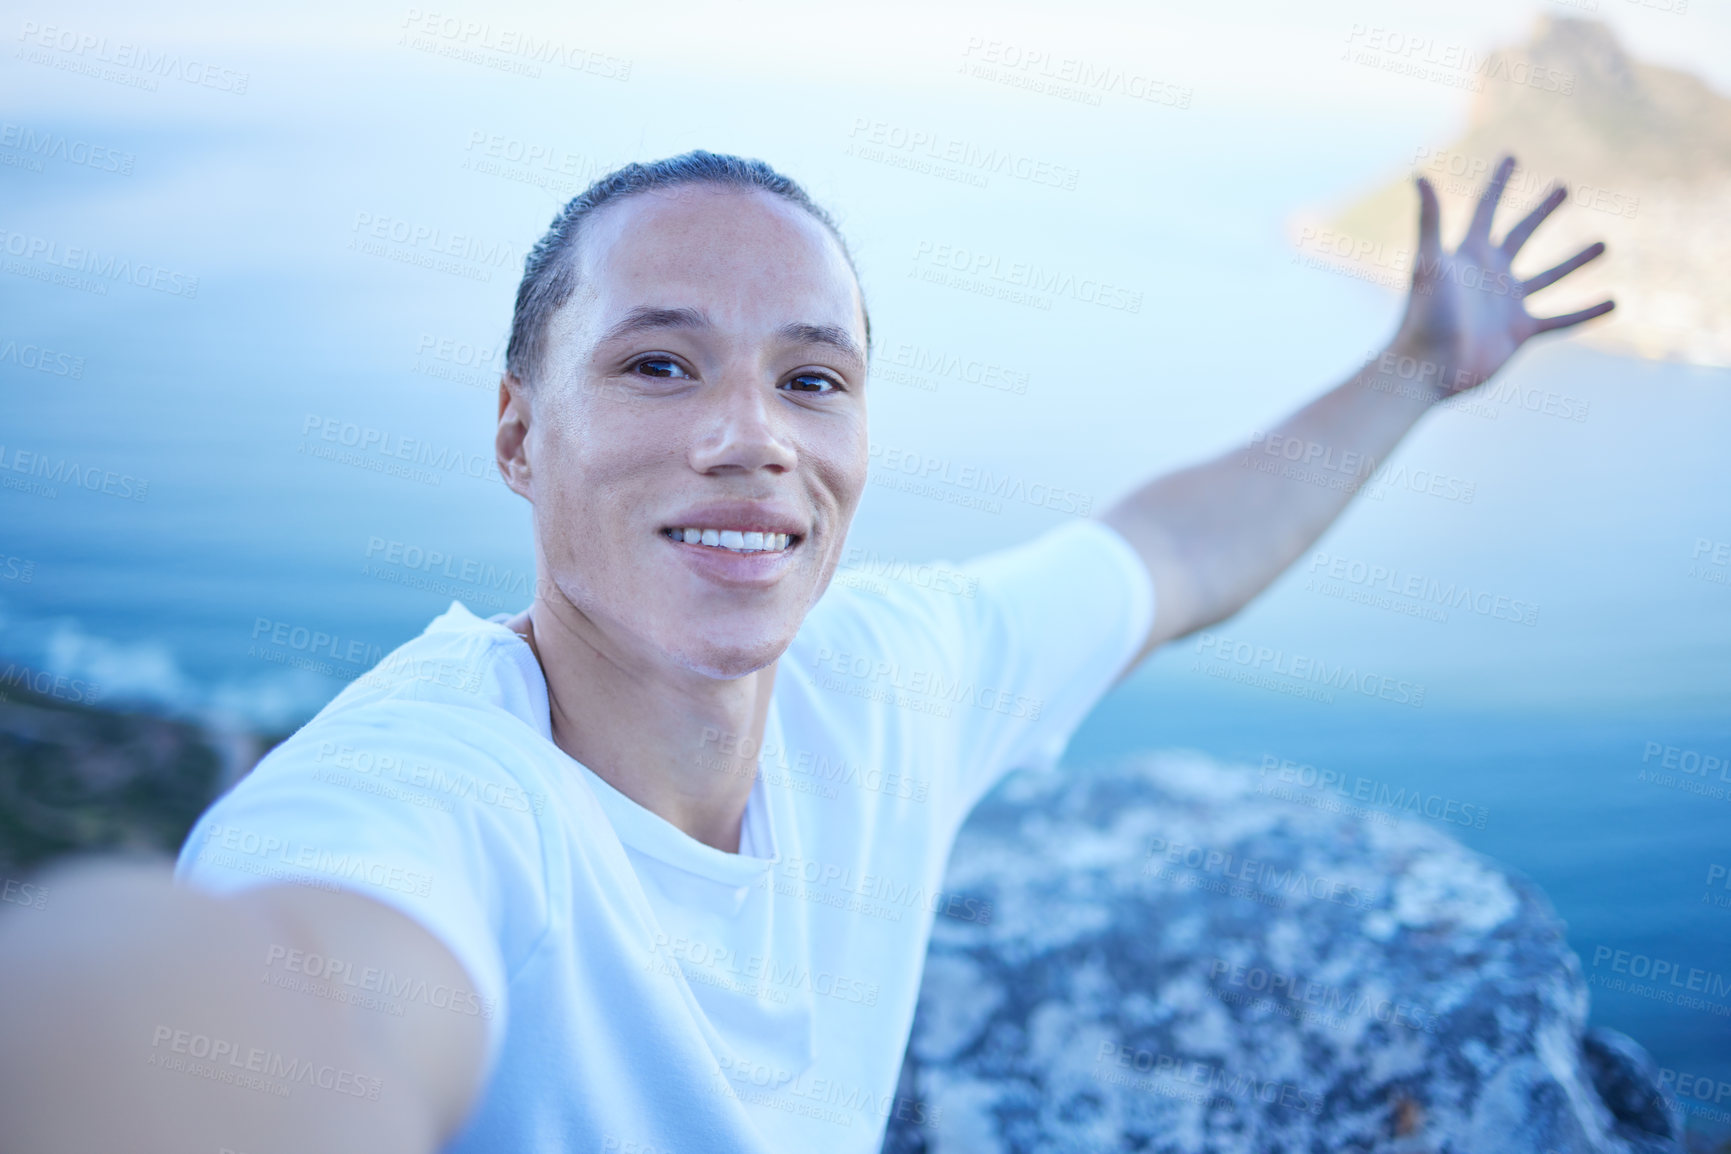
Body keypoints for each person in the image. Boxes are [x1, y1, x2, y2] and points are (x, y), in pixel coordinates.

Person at [0, 149, 1611, 1153]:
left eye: (813, 380)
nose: (749, 437)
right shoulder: (435, 802)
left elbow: (1174, 553)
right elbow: (277, 1014)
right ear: (516, 432)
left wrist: (1418, 367)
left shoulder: (879, 678)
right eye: (658, 363)